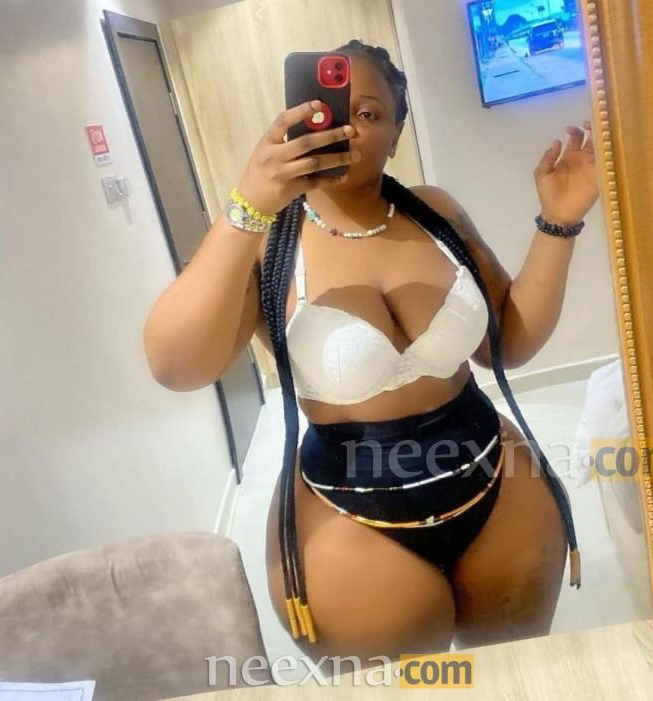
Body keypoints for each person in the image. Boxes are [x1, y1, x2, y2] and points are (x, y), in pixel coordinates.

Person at [143, 39, 599, 666]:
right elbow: (176, 366)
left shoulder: (436, 211)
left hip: (498, 485)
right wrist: (247, 204)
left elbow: (510, 345)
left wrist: (559, 223)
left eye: (369, 113)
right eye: (326, 110)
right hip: (346, 518)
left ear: (396, 132)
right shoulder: (265, 239)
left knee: (515, 673)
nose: (348, 128)